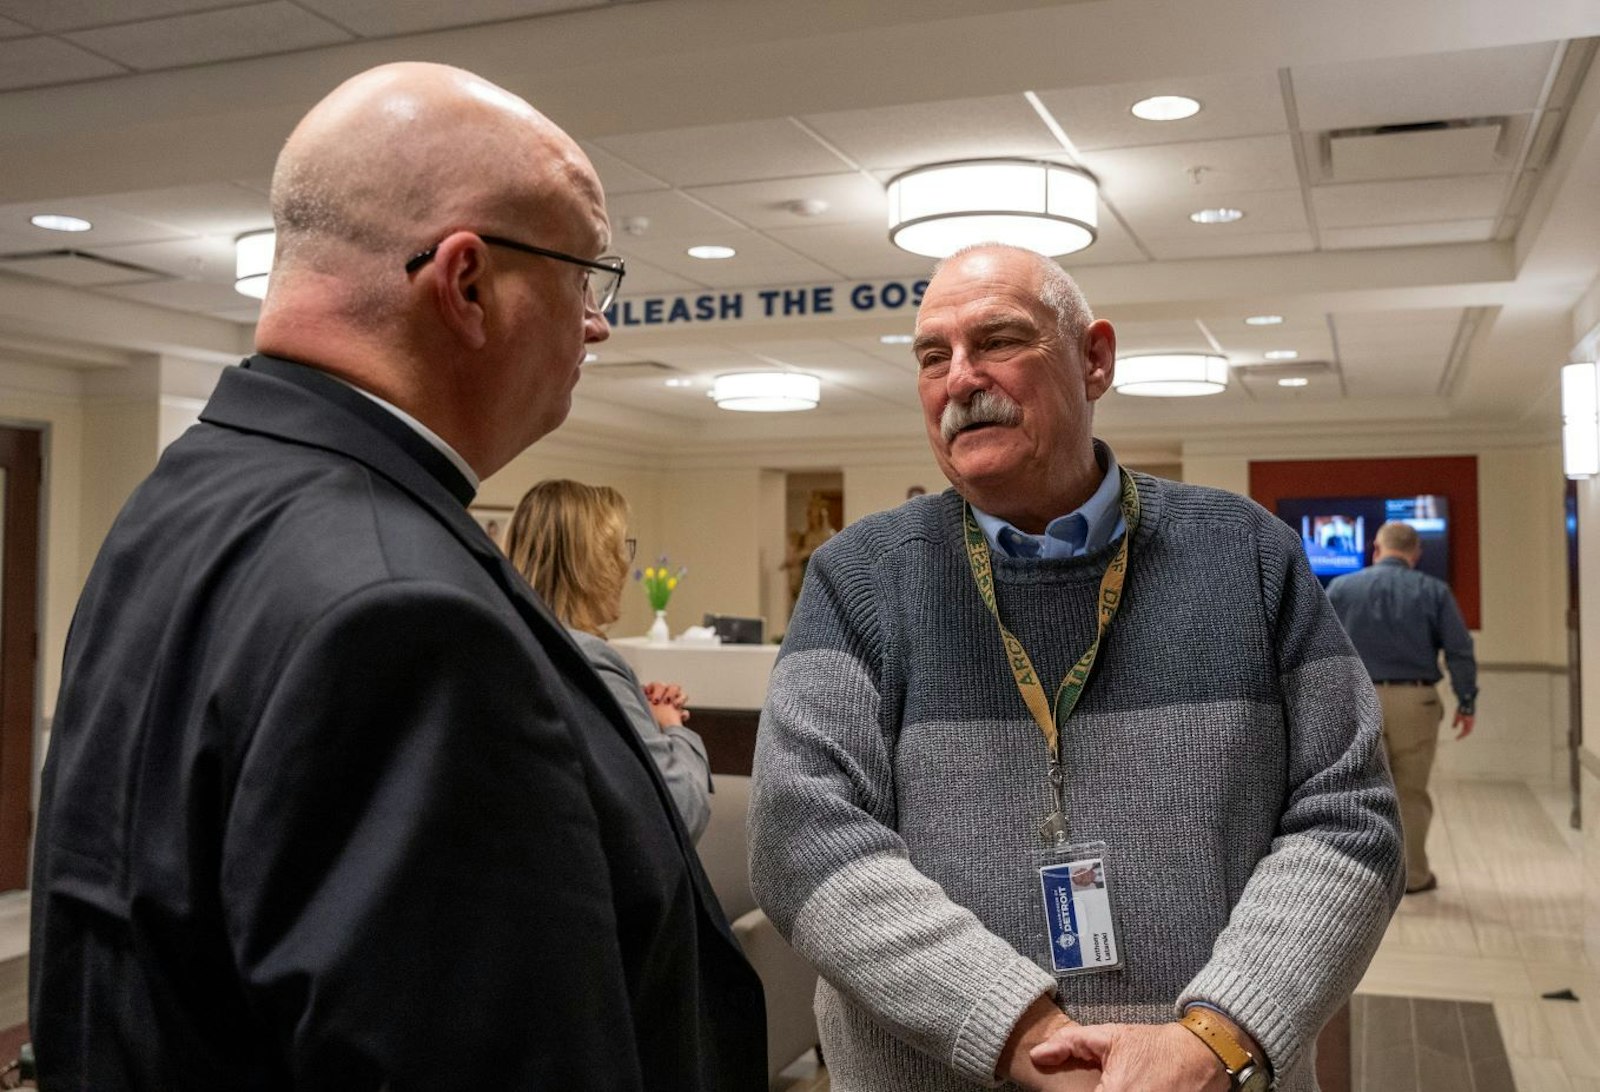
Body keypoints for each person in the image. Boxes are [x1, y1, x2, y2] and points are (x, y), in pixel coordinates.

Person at [29, 62, 765, 1090]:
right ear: (465, 283)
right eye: (583, 277)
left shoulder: (185, 497)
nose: (597, 325)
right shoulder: (404, 612)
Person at [749, 243, 1403, 1092]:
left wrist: (1218, 1038)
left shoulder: (1247, 556)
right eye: (932, 356)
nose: (960, 379)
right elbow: (804, 840)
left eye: (998, 342)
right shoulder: (859, 579)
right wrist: (1024, 1036)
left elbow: (1348, 817)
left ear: (1094, 359)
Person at [505, 478, 713, 841]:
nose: (623, 566)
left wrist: (636, 709)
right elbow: (681, 809)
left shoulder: (508, 642)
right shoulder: (589, 662)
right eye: (620, 549)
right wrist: (672, 727)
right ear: (595, 562)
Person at [1327, 520, 1477, 895]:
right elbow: (1459, 650)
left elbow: (1320, 648)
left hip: (1357, 700)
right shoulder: (1434, 591)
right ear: (1416, 554)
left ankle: (1358, 878)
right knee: (1410, 791)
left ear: (1376, 549)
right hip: (1416, 701)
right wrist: (1467, 701)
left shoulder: (1342, 588)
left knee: (1355, 792)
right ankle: (1413, 877)